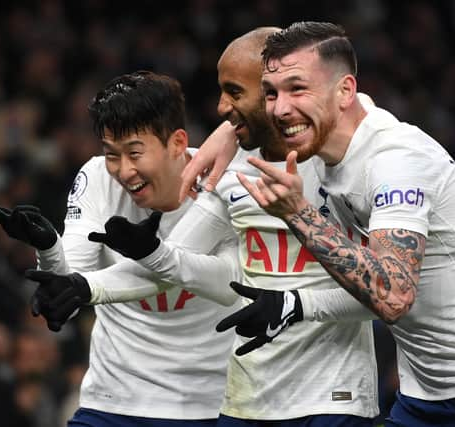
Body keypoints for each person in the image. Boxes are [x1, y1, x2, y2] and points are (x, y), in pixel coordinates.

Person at [224, 22, 455, 426]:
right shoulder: (328, 140)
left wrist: (299, 213)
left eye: (297, 89)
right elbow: (377, 286)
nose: (281, 108)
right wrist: (294, 304)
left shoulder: (396, 161)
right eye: (271, 94)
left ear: (345, 91)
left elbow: (392, 294)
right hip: (422, 397)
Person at [96, 28, 380, 426]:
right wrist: (93, 282)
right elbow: (178, 261)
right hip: (246, 403)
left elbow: (385, 292)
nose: (220, 106)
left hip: (331, 399)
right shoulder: (228, 176)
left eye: (233, 92)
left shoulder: (342, 165)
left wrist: (294, 306)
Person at [0, 70, 241, 426]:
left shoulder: (224, 183)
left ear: (178, 143)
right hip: (112, 402)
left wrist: (147, 255)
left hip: (209, 406)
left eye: (135, 153)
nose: (123, 171)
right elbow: (71, 288)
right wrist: (48, 248)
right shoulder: (96, 178)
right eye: (112, 154)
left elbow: (228, 288)